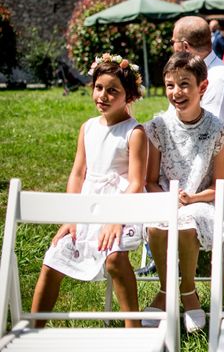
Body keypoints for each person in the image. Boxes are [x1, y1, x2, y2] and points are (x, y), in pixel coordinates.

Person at [31, 53, 147, 328]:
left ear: (128, 96)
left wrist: (115, 218)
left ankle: (135, 329)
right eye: (99, 88)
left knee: (115, 260)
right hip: (86, 208)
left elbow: (136, 183)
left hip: (122, 208)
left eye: (112, 91)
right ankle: (32, 327)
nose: (103, 96)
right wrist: (71, 217)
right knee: (54, 256)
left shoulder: (135, 132)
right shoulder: (87, 128)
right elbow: (77, 173)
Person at [143, 52, 224, 333]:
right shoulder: (159, 126)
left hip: (201, 202)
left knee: (187, 222)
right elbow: (149, 180)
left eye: (184, 84)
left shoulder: (218, 130)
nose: (176, 92)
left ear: (202, 87)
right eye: (170, 85)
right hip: (164, 198)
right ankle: (166, 289)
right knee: (157, 227)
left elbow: (218, 184)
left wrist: (191, 198)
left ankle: (188, 289)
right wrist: (170, 198)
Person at [172, 16, 224, 186]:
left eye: (173, 42)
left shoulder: (218, 79)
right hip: (187, 157)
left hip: (214, 170)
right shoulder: (192, 73)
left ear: (185, 46)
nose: (172, 47)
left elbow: (209, 136)